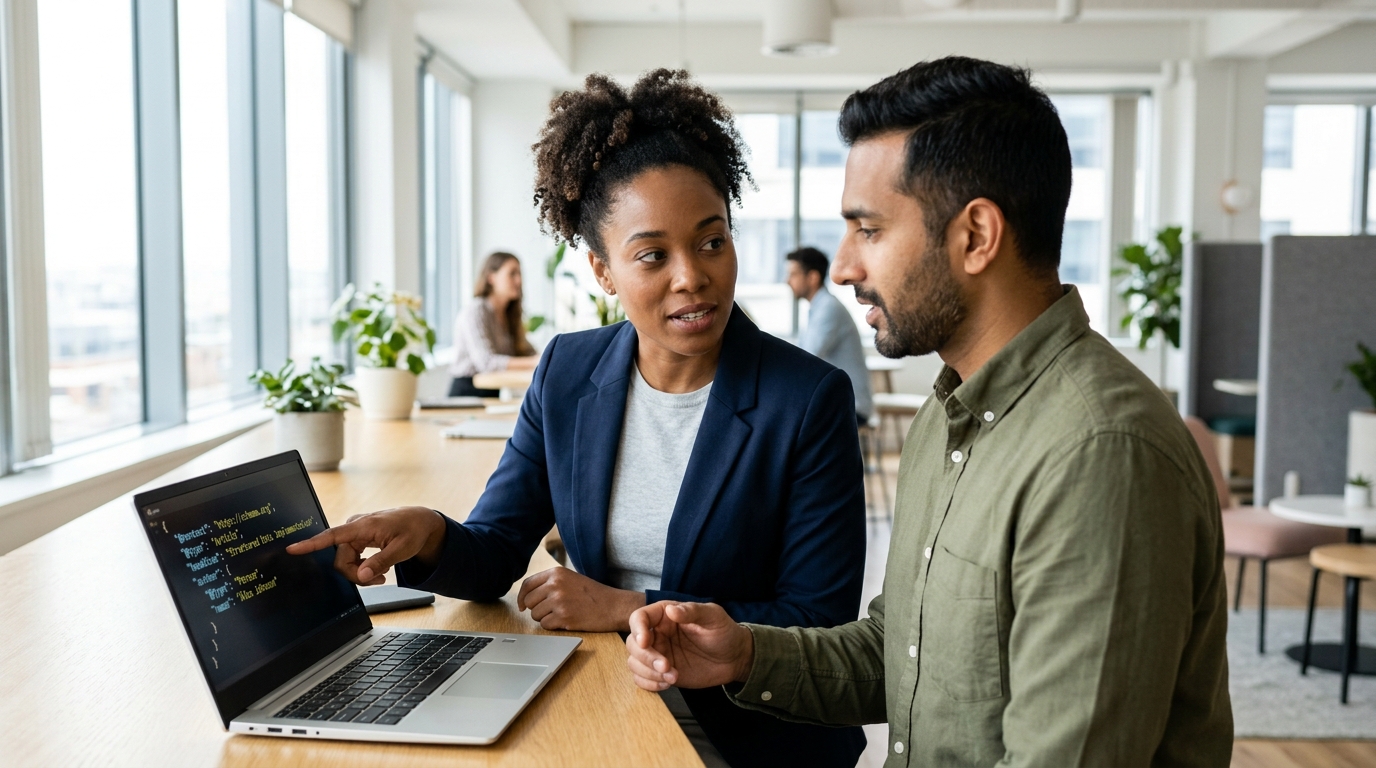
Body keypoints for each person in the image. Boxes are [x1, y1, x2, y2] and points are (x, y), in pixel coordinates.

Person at [624, 57, 1234, 767]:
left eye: (870, 230)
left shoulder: (1099, 453)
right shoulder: (950, 415)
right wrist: (744, 653)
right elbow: (903, 653)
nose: (845, 265)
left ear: (976, 235)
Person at [288, 69, 867, 768]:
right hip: (604, 698)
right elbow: (496, 551)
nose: (692, 275)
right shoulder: (567, 371)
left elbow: (816, 622)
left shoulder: (806, 398)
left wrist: (624, 606)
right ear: (602, 270)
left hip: (745, 730)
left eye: (712, 241)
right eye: (652, 255)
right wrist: (427, 534)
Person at [786, 246, 874, 425]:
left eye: (793, 274)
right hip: (837, 402)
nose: (787, 281)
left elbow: (806, 358)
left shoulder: (828, 309)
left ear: (813, 277)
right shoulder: (818, 308)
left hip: (851, 406)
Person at [448, 252, 538, 397]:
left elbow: (528, 351)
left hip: (492, 392)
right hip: (466, 393)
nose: (519, 281)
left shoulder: (509, 314)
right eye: (512, 274)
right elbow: (486, 363)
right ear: (491, 277)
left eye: (519, 274)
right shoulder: (476, 310)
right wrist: (533, 362)